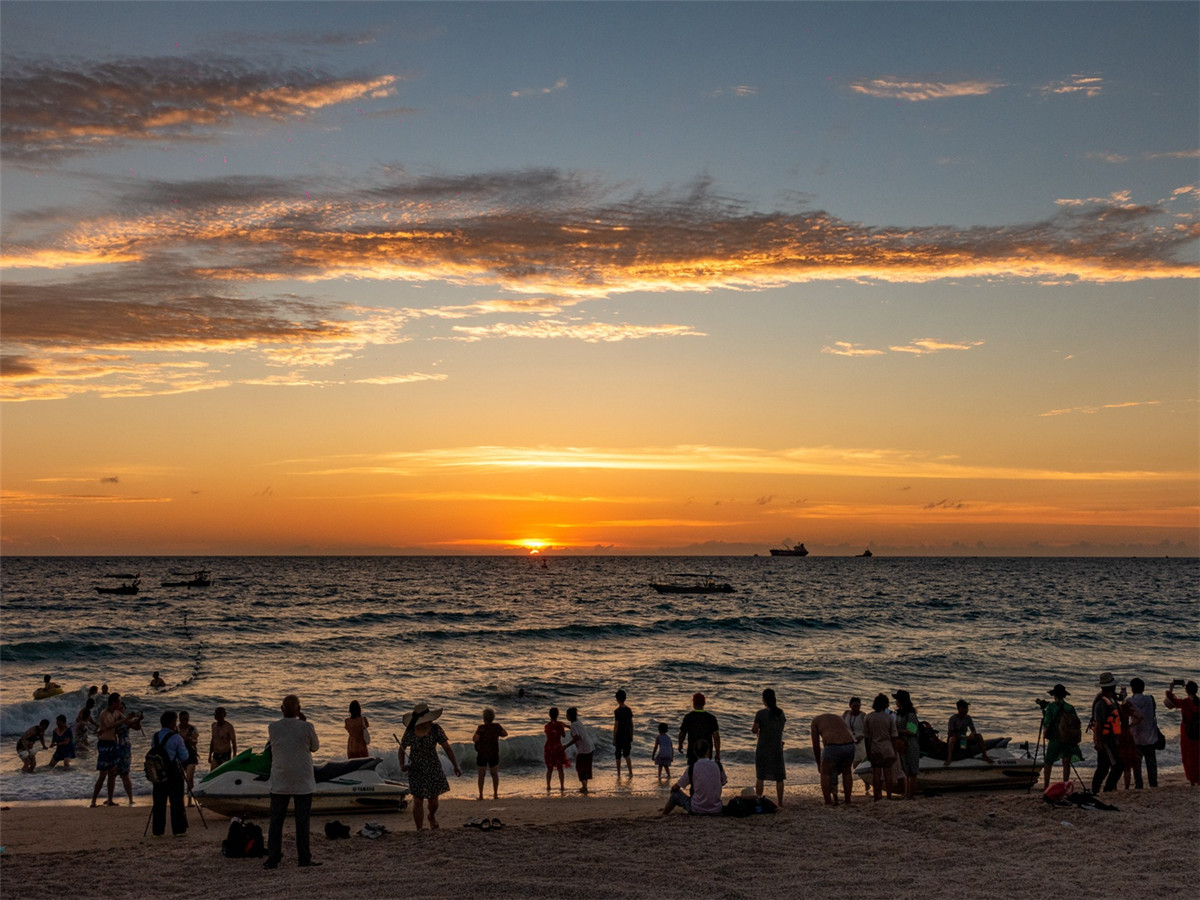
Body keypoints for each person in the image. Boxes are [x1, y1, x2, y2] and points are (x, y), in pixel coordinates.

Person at [264, 694, 321, 869]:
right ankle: (303, 859)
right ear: (299, 709)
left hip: (280, 780)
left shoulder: (273, 728)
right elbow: (315, 747)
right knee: (302, 822)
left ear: (282, 709)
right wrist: (303, 720)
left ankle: (273, 859)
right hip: (302, 781)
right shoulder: (307, 727)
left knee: (276, 822)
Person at [399, 701, 461, 830]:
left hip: (433, 766)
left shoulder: (436, 729)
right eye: (424, 721)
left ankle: (431, 816)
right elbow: (401, 748)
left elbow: (447, 748)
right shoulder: (410, 731)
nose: (427, 723)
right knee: (418, 800)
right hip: (416, 768)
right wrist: (402, 764)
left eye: (428, 720)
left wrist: (455, 765)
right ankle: (419, 829)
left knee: (433, 801)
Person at [90, 694, 142, 807]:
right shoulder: (104, 714)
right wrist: (125, 719)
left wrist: (136, 719)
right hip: (104, 745)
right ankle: (93, 800)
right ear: (113, 703)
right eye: (119, 702)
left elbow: (128, 723)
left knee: (112, 773)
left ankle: (110, 800)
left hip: (114, 744)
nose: (120, 704)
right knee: (103, 774)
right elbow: (109, 726)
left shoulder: (117, 713)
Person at [660, 738, 726, 816]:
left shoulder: (692, 767)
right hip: (716, 809)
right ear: (708, 751)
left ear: (695, 752)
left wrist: (672, 789)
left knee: (675, 794)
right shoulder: (718, 765)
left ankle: (664, 813)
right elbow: (723, 782)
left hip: (697, 809)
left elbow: (677, 786)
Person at [150, 711, 188, 837]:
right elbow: (184, 757)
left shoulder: (155, 736)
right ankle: (178, 830)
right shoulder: (176, 738)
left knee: (159, 802)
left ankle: (158, 831)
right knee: (176, 801)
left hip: (159, 773)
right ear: (172, 722)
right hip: (173, 773)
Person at [1041, 684, 1083, 789]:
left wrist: (1044, 734)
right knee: (1066, 761)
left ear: (1054, 695)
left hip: (1055, 738)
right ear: (1064, 695)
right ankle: (1065, 785)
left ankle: (1046, 786)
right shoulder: (1070, 707)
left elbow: (1047, 723)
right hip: (1067, 738)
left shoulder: (1051, 707)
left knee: (1048, 761)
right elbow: (1076, 722)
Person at [811, 712, 856, 805]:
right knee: (847, 772)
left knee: (825, 773)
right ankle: (848, 800)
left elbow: (816, 745)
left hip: (833, 746)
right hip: (850, 744)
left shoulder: (815, 721)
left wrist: (819, 764)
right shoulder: (838, 718)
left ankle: (828, 801)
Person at [1091, 672, 1125, 794]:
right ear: (1112, 686)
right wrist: (1098, 741)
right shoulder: (1101, 703)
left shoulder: (1111, 700)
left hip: (1112, 739)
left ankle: (1099, 790)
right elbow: (1099, 724)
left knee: (1104, 767)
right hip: (1106, 740)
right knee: (1116, 766)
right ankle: (1104, 790)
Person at [752, 688, 786, 806]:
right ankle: (780, 802)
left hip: (763, 748)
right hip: (776, 748)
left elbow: (754, 730)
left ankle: (759, 799)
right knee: (779, 777)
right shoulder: (780, 713)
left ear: (764, 700)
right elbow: (780, 729)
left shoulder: (760, 713)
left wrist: (758, 729)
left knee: (760, 775)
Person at [1124, 677, 1159, 789]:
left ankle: (1139, 784)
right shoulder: (1150, 699)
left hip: (1137, 736)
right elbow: (1153, 712)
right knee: (1151, 763)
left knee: (1137, 763)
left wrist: (1123, 698)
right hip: (1150, 734)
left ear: (1132, 689)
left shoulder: (1130, 701)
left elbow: (1124, 712)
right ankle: (1153, 783)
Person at [1165, 678, 1199, 786]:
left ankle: (1192, 780)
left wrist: (1171, 687)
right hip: (1198, 732)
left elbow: (1171, 699)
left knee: (1188, 757)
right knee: (1198, 756)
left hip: (1187, 732)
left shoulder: (1185, 703)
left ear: (1186, 691)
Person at [863, 694, 897, 801]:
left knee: (876, 774)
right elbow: (894, 736)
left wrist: (868, 752)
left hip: (875, 748)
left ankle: (877, 795)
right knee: (888, 773)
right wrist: (895, 752)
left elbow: (866, 737)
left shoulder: (868, 717)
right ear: (886, 704)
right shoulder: (889, 717)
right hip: (888, 748)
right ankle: (889, 796)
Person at [471, 707, 508, 800]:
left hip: (482, 753)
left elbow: (475, 739)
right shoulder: (497, 727)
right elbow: (505, 734)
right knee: (494, 774)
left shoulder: (481, 728)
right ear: (493, 718)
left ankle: (481, 795)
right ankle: (495, 794)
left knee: (481, 775)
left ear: (484, 718)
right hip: (493, 753)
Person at [678, 692, 720, 765]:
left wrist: (680, 744)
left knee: (692, 771)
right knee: (706, 771)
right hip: (707, 751)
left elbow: (682, 733)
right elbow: (716, 736)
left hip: (692, 750)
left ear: (693, 703)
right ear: (704, 703)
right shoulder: (711, 718)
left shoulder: (688, 717)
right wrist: (717, 752)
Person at [893, 689, 921, 799]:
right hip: (903, 744)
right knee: (906, 771)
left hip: (911, 744)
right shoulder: (900, 713)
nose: (895, 702)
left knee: (912, 771)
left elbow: (912, 731)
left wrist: (897, 731)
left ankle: (910, 795)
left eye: (897, 700)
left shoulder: (910, 714)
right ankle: (906, 794)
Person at [945, 700, 991, 765]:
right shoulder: (953, 718)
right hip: (956, 740)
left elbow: (973, 730)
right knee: (952, 739)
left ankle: (985, 756)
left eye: (967, 708)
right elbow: (950, 733)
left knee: (978, 735)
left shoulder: (968, 718)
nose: (967, 710)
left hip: (964, 740)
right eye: (965, 708)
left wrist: (972, 735)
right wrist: (961, 737)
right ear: (960, 709)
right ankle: (949, 758)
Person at [563, 707, 595, 794]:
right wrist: (566, 726)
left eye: (567, 715)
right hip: (590, 747)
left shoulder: (574, 725)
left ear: (569, 716)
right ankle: (584, 787)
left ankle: (585, 788)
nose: (566, 716)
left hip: (583, 749)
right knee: (586, 767)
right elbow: (575, 729)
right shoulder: (578, 722)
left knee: (579, 768)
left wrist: (566, 746)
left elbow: (576, 737)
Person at [842, 697, 868, 796]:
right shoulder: (846, 714)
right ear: (850, 705)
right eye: (854, 706)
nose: (856, 708)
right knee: (848, 764)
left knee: (858, 764)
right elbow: (842, 726)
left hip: (860, 742)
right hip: (849, 741)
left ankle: (866, 781)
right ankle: (850, 786)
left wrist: (862, 736)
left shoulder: (863, 715)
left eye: (858, 706)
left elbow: (867, 729)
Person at [543, 707, 570, 791]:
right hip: (557, 747)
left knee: (549, 769)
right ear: (557, 715)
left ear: (549, 715)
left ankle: (548, 786)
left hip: (548, 747)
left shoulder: (547, 726)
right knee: (560, 768)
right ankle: (562, 786)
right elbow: (563, 735)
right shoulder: (560, 724)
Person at [177, 710, 200, 802]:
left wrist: (191, 740)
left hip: (191, 754)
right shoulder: (176, 729)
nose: (185, 721)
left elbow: (196, 741)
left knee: (189, 778)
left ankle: (190, 799)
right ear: (179, 719)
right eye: (183, 719)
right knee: (180, 779)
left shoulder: (192, 728)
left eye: (186, 719)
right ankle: (180, 799)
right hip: (179, 756)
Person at [612, 690, 634, 778]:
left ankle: (618, 773)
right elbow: (631, 724)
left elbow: (616, 726)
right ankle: (630, 772)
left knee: (618, 755)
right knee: (627, 754)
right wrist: (631, 735)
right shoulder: (629, 710)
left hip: (619, 736)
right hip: (627, 735)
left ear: (617, 699)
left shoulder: (617, 711)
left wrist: (614, 737)